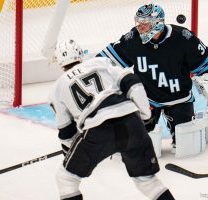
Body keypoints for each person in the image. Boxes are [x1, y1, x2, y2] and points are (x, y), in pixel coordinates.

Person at [48, 39, 175, 200]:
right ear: (80, 53)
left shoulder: (56, 89)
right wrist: (144, 117)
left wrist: (71, 152)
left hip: (98, 131)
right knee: (148, 182)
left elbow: (67, 133)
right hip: (132, 124)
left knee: (66, 179)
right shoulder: (101, 62)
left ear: (59, 62)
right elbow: (133, 84)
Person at [97, 4, 208, 158]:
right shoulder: (133, 39)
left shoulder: (183, 38)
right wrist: (86, 72)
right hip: (147, 100)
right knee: (140, 147)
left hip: (179, 99)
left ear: (157, 24)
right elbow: (106, 61)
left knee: (187, 147)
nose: (140, 28)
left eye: (144, 24)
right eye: (138, 23)